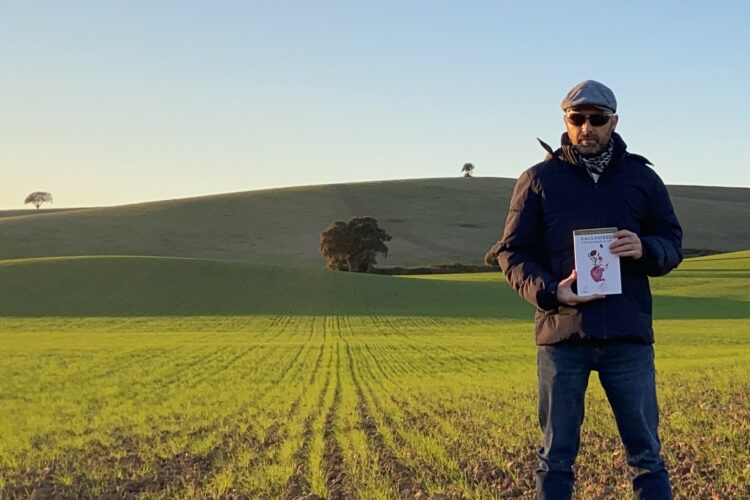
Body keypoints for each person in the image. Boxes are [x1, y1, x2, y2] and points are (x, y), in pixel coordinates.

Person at [495, 80, 682, 499]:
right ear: (565, 121)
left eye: (597, 119)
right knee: (555, 457)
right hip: (562, 337)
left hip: (627, 338)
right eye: (577, 118)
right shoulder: (538, 180)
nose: (587, 127)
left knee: (646, 456)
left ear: (613, 122)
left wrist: (646, 247)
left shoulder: (642, 179)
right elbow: (512, 253)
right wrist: (551, 292)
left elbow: (672, 242)